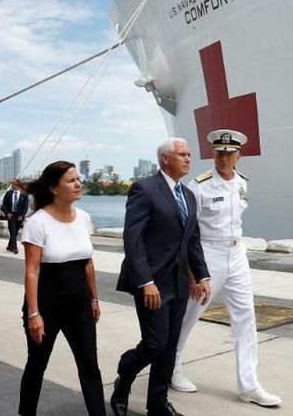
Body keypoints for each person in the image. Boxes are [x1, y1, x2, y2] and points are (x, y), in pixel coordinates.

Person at [170, 129, 282, 407]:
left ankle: (250, 385)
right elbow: (187, 233)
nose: (224, 157)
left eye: (229, 153)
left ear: (238, 156)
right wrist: (193, 273)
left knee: (246, 318)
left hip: (237, 253)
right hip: (207, 253)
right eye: (219, 152)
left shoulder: (243, 183)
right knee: (189, 313)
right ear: (214, 154)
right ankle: (171, 367)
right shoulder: (200, 185)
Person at [110, 137, 212, 416]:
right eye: (182, 154)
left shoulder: (188, 195)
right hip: (151, 283)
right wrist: (146, 282)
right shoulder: (144, 189)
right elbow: (133, 240)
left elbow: (192, 241)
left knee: (169, 346)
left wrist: (202, 276)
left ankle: (158, 404)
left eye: (189, 154)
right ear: (165, 159)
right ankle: (124, 377)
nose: (189, 159)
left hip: (179, 282)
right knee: (155, 343)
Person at [18, 161, 106, 416]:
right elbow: (32, 271)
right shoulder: (38, 222)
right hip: (46, 308)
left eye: (78, 179)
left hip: (80, 306)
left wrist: (95, 300)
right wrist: (34, 314)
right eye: (70, 180)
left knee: (90, 365)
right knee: (37, 364)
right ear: (54, 188)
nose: (78, 183)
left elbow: (87, 263)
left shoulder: (84, 218)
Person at [1, 180, 29, 254]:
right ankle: (14, 247)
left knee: (15, 232)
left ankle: (9, 245)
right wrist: (7, 213)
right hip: (11, 215)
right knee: (13, 230)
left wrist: (22, 216)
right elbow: (4, 205)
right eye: (13, 184)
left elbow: (26, 207)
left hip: (19, 216)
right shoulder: (8, 193)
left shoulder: (24, 194)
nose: (13, 185)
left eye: (15, 184)